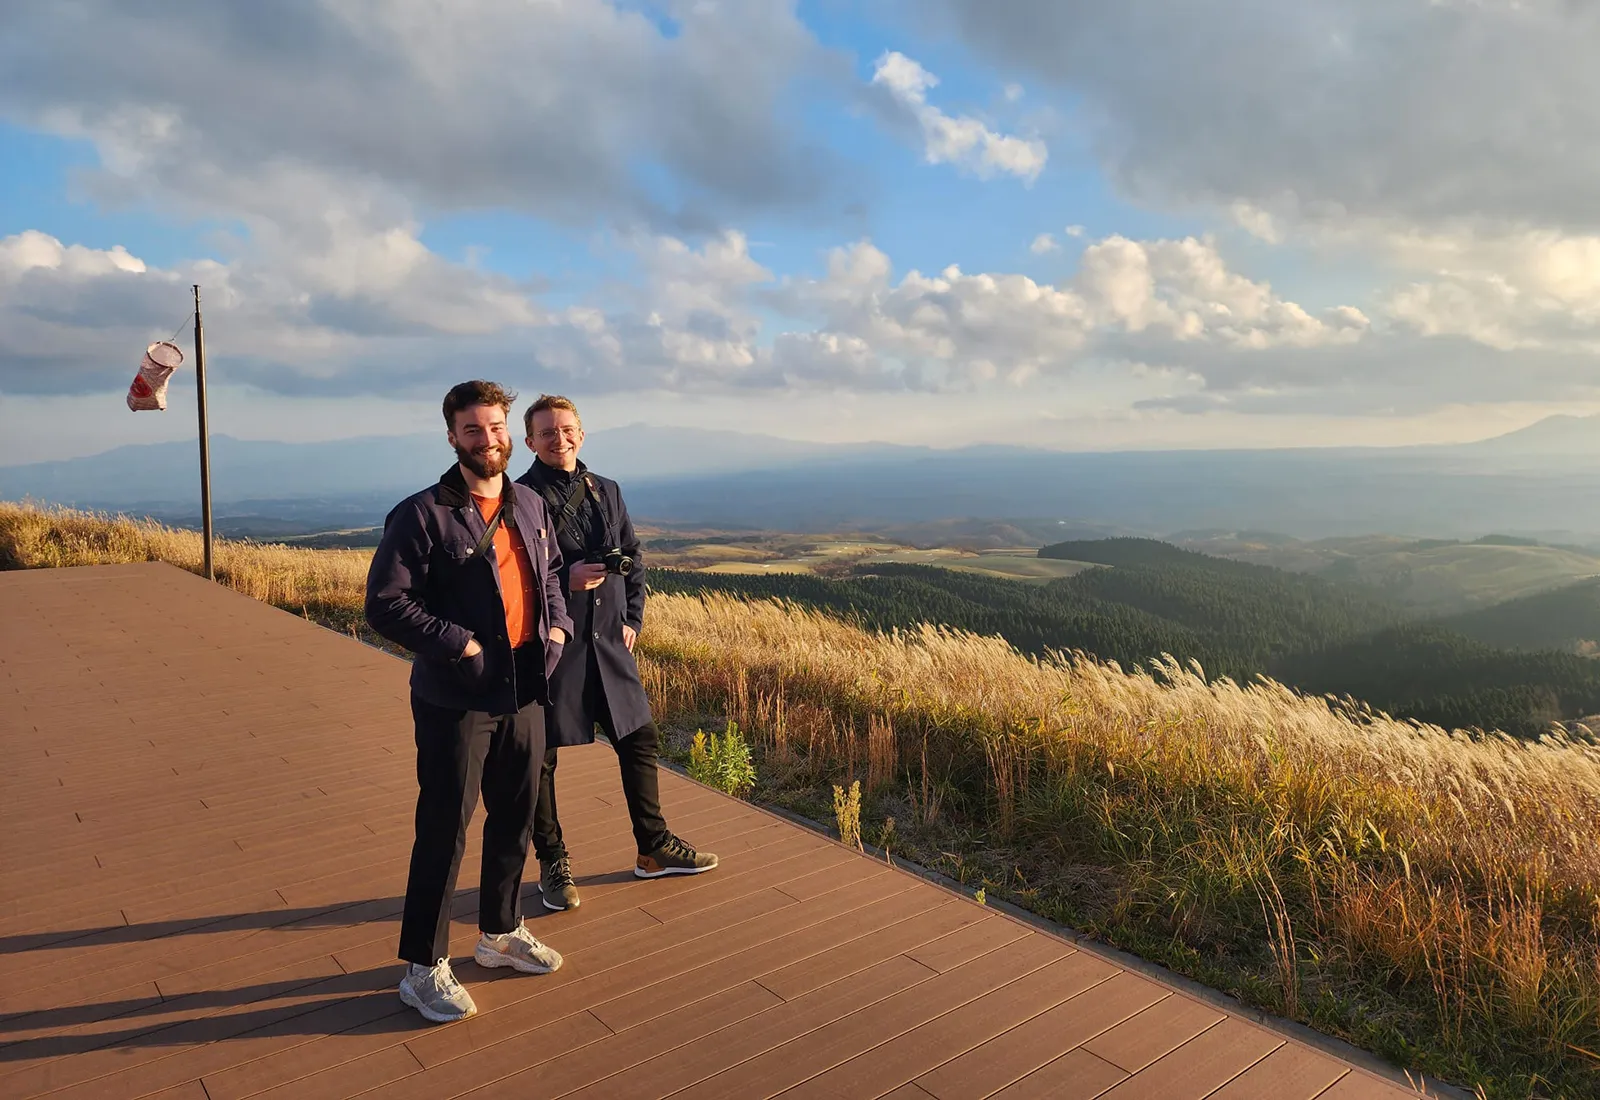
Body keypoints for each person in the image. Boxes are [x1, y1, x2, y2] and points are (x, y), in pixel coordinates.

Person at [365, 380, 574, 1024]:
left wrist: (558, 629)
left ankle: (500, 932)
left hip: (526, 689)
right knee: (444, 829)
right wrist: (459, 644)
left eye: (496, 428)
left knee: (513, 817)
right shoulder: (423, 513)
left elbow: (553, 576)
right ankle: (423, 969)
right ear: (452, 436)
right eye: (473, 430)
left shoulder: (531, 505)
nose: (488, 440)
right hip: (455, 698)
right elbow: (385, 604)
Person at [517, 394, 716, 911]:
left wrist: (632, 619)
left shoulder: (605, 490)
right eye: (547, 431)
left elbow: (635, 558)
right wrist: (566, 578)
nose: (559, 438)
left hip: (610, 640)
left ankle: (652, 849)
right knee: (542, 755)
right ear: (529, 441)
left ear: (581, 434)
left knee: (639, 737)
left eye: (567, 429)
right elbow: (512, 578)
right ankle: (552, 863)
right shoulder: (520, 499)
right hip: (553, 645)